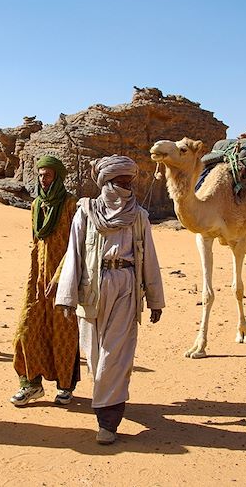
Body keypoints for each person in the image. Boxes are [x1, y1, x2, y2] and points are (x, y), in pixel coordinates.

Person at [55, 155, 165, 445]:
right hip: (92, 285)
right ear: (106, 181)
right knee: (94, 354)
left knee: (116, 354)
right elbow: (74, 254)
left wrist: (155, 299)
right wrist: (66, 298)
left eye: (128, 182)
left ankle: (108, 418)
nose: (125, 188)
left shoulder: (138, 216)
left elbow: (149, 257)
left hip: (127, 286)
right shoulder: (86, 212)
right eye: (120, 182)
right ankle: (107, 399)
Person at [10, 156, 80, 406]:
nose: (43, 179)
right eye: (40, 175)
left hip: (65, 278)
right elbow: (35, 243)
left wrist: (60, 276)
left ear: (58, 177)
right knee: (26, 330)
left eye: (48, 175)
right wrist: (35, 278)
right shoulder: (36, 205)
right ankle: (30, 384)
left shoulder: (71, 204)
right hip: (38, 281)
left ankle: (65, 386)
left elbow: (76, 245)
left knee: (63, 332)